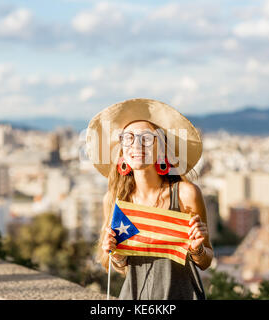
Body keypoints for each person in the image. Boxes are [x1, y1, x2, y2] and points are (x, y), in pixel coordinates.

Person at [85, 98, 214, 300]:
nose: (136, 145)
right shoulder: (114, 199)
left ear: (161, 148)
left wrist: (197, 249)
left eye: (146, 138)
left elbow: (205, 261)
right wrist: (115, 253)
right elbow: (116, 265)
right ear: (121, 150)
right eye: (128, 138)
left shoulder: (185, 194)